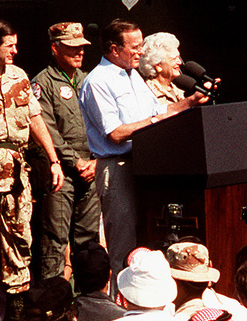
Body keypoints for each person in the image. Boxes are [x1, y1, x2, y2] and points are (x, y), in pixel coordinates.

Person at [81, 19, 203, 274]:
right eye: (135, 47)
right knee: (124, 250)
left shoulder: (132, 75)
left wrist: (190, 102)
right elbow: (115, 133)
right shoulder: (98, 81)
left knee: (150, 244)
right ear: (114, 49)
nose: (141, 52)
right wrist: (156, 120)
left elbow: (158, 110)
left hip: (146, 165)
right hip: (118, 168)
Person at [0, 19, 63, 307]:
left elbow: (35, 118)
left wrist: (53, 159)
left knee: (21, 236)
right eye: (10, 45)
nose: (15, 51)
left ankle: (18, 301)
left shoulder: (19, 76)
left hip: (17, 173)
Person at [32, 22, 100, 284]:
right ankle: (53, 297)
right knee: (55, 238)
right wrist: (76, 161)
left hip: (91, 170)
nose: (79, 52)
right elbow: (48, 130)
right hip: (62, 172)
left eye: (82, 47)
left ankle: (87, 295)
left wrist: (94, 162)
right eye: (72, 48)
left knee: (88, 238)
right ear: (55, 48)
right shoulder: (43, 83)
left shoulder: (89, 81)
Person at [139, 32, 186, 111]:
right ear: (158, 65)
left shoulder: (179, 91)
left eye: (178, 57)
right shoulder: (147, 93)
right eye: (174, 59)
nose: (180, 62)